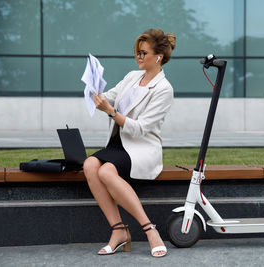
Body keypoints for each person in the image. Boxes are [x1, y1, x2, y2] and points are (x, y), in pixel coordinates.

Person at [83, 28, 175, 258]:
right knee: (89, 165)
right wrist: (96, 92)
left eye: (143, 53)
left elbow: (141, 128)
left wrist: (111, 112)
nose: (139, 57)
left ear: (159, 56)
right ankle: (119, 231)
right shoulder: (132, 76)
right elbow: (110, 96)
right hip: (118, 144)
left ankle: (149, 229)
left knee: (105, 172)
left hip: (140, 147)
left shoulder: (164, 89)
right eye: (137, 52)